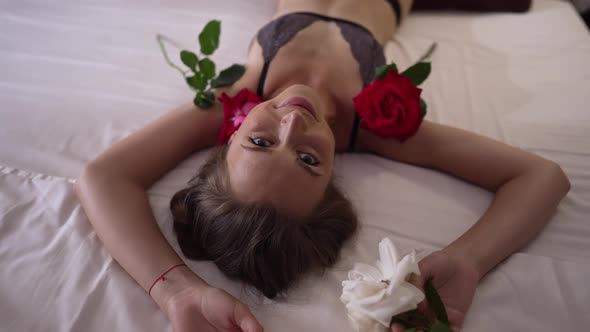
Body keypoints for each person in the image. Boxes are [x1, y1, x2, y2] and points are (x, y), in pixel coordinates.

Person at [74, 0, 568, 331]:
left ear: (231, 134)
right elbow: (541, 177)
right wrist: (468, 260)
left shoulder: (243, 90)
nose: (291, 124)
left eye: (260, 142)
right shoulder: (375, 123)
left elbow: (102, 176)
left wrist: (173, 291)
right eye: (308, 159)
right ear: (332, 176)